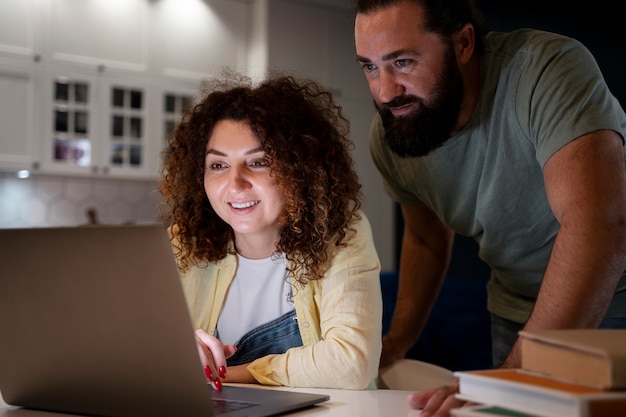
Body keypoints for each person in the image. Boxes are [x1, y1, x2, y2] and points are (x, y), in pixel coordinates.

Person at [353, 0, 626, 414]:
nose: (385, 91)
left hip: (614, 306)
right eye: (370, 67)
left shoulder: (545, 70)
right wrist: (398, 340)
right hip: (515, 312)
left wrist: (515, 373)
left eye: (403, 62)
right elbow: (426, 239)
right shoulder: (395, 132)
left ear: (463, 43)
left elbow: (599, 223)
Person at [157, 70, 382, 391]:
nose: (235, 184)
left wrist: (237, 373)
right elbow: (145, 350)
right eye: (218, 165)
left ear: (299, 169)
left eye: (259, 162)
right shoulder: (185, 242)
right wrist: (176, 353)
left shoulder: (341, 231)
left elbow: (351, 364)